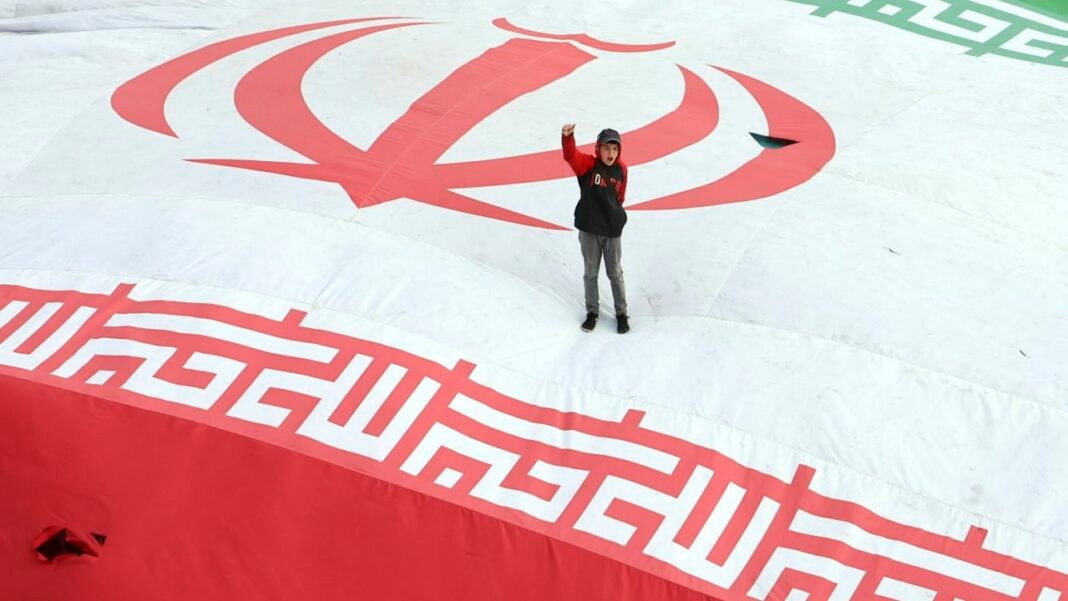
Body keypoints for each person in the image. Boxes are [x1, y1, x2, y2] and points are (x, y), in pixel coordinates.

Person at [561, 123, 629, 334]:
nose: (611, 153)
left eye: (615, 149)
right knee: (591, 272)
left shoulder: (622, 170)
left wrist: (616, 217)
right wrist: (568, 137)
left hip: (612, 231)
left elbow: (621, 197)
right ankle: (592, 312)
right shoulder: (588, 166)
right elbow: (571, 156)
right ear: (598, 149)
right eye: (607, 148)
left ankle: (621, 314)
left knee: (615, 273)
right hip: (589, 229)